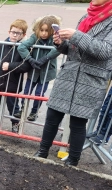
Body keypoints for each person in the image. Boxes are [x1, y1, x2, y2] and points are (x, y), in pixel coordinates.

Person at [34, 0, 112, 166]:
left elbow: (105, 50)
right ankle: (42, 152)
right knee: (52, 116)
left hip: (90, 80)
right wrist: (61, 43)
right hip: (69, 74)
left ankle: (73, 161)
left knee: (78, 123)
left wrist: (76, 35)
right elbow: (72, 49)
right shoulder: (87, 16)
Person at [0, 19, 31, 133]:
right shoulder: (0, 46)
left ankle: (15, 123)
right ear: (9, 32)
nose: (14, 35)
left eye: (18, 33)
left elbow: (26, 65)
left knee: (12, 104)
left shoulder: (23, 49)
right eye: (13, 32)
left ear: (23, 35)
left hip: (12, 83)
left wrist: (10, 66)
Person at [14, 15, 61, 121]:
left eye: (46, 30)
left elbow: (59, 48)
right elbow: (22, 47)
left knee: (39, 93)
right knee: (27, 91)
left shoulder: (54, 38)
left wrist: (45, 58)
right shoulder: (35, 37)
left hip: (46, 71)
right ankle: (23, 109)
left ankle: (34, 112)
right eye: (41, 30)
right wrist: (30, 59)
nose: (43, 33)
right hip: (34, 69)